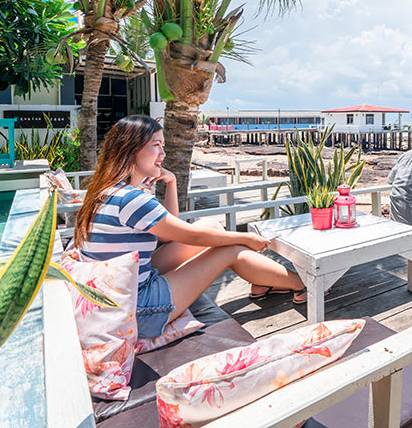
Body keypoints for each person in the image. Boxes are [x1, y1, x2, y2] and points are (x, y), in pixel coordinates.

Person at [73, 115, 306, 339]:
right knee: (230, 250)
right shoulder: (132, 200)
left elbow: (170, 234)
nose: (163, 154)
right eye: (156, 145)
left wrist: (171, 181)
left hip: (119, 293)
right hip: (139, 310)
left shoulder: (109, 191)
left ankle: (264, 282)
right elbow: (191, 236)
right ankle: (302, 284)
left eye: (163, 146)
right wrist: (244, 238)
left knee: (211, 225)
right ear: (131, 148)